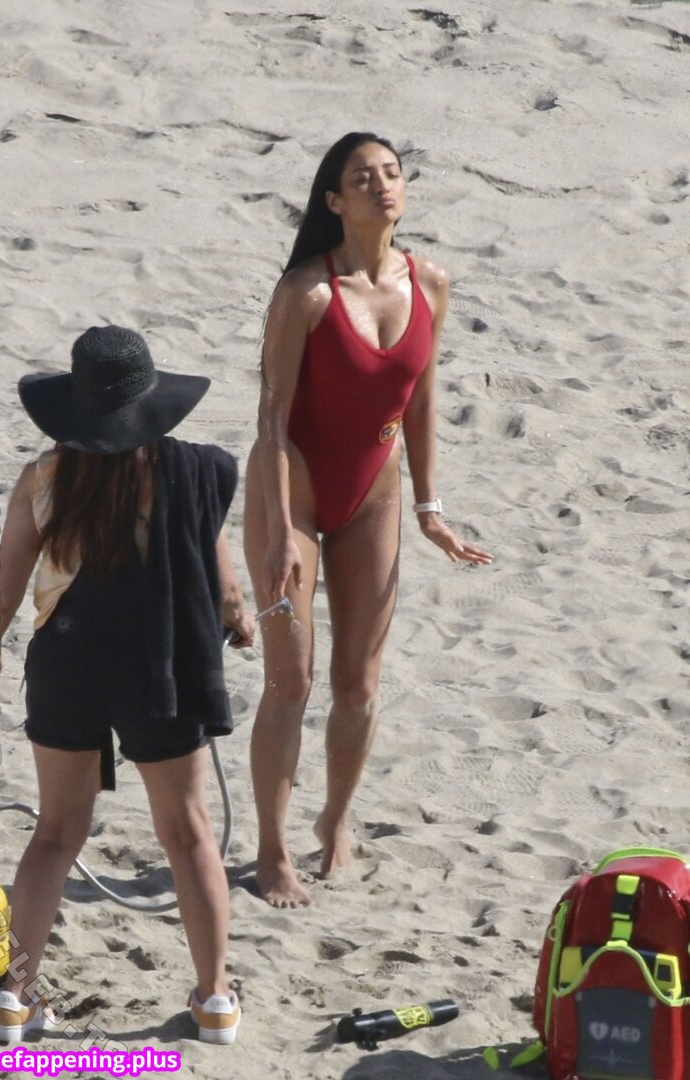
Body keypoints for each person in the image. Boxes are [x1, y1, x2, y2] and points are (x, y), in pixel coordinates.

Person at [0, 325, 254, 1045]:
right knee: (188, 833)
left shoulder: (45, 477)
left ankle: (13, 1000)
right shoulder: (191, 472)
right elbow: (222, 581)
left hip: (67, 659)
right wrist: (238, 618)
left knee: (54, 835)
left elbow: (7, 575)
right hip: (160, 663)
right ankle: (215, 999)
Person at [244, 131, 494, 908]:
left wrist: (429, 507)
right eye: (363, 178)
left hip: (373, 493)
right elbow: (272, 417)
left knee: (357, 685)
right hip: (291, 488)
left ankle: (335, 819)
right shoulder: (306, 293)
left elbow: (419, 399)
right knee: (291, 680)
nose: (383, 185)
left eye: (392, 173)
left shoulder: (431, 283)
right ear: (334, 200)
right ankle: (272, 850)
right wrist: (278, 529)